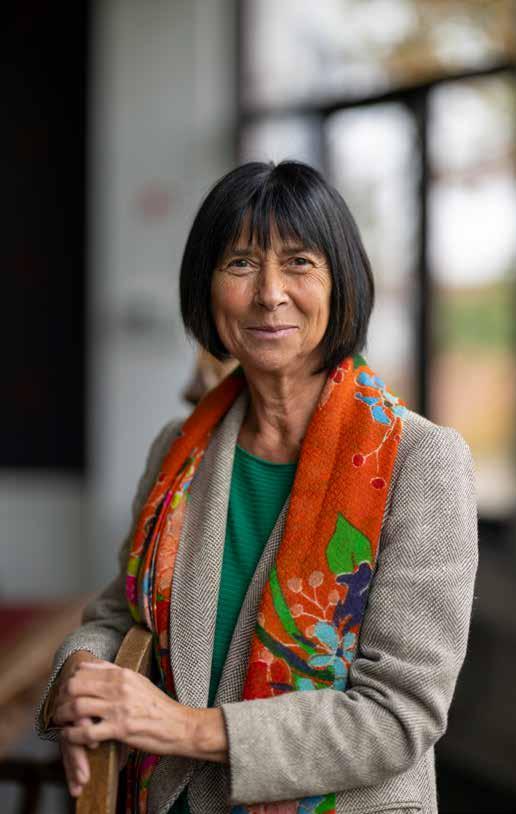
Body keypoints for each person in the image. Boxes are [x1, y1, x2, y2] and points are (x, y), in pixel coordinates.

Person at [36, 160, 478, 814]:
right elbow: (121, 615)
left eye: (299, 263)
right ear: (206, 288)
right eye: (240, 264)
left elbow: (398, 714)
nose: (270, 294)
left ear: (342, 284)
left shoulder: (420, 461)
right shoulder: (180, 450)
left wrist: (183, 727)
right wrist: (82, 678)